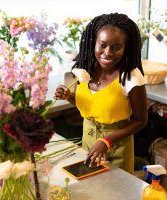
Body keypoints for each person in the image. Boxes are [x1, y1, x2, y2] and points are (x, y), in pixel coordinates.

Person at [54, 13, 148, 174]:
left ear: (126, 48)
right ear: (94, 43)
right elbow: (90, 105)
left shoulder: (131, 77)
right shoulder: (85, 69)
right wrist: (69, 96)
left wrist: (107, 140)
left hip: (117, 147)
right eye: (102, 45)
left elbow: (141, 120)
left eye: (116, 47)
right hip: (88, 142)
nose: (107, 52)